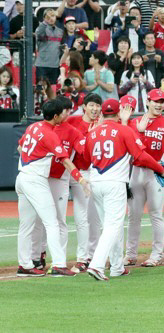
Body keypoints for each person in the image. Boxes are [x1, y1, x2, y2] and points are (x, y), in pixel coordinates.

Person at [83, 99, 164, 281]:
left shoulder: (92, 133)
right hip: (114, 182)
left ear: (102, 114)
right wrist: (160, 169)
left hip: (96, 182)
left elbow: (84, 159)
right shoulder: (124, 130)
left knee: (109, 225)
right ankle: (97, 265)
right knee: (113, 226)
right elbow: (140, 155)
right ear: (118, 113)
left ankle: (117, 267)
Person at [16, 99, 90, 277]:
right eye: (62, 113)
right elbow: (65, 160)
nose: (65, 115)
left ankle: (25, 265)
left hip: (22, 176)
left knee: (26, 225)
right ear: (55, 116)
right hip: (35, 180)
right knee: (52, 222)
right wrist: (80, 180)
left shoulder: (33, 127)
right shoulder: (49, 133)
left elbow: (20, 147)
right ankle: (58, 264)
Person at [125, 89, 164, 266]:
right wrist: (140, 132)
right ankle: (130, 254)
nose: (159, 104)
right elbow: (133, 148)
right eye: (156, 101)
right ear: (147, 101)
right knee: (133, 215)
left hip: (156, 173)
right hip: (137, 171)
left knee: (156, 214)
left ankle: (156, 255)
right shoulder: (135, 122)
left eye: (162, 101)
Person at [67, 93, 103, 270]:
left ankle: (92, 255)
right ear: (84, 106)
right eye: (91, 105)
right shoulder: (73, 122)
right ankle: (83, 257)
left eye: (97, 106)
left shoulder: (103, 126)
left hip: (96, 172)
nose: (95, 109)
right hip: (78, 173)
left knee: (95, 217)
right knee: (81, 216)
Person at [35, 9, 63, 84]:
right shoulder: (40, 29)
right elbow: (40, 34)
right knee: (40, 89)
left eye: (53, 16)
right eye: (48, 16)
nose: (51, 18)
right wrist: (45, 22)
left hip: (55, 65)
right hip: (42, 65)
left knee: (53, 89)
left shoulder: (60, 31)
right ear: (44, 18)